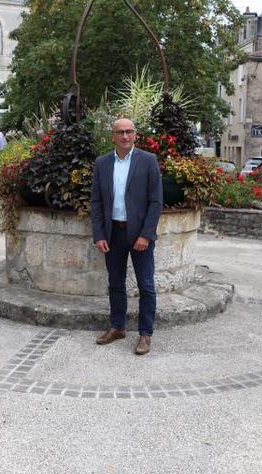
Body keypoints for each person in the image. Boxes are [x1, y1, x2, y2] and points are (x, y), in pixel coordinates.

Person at [90, 118, 162, 355]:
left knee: (146, 286)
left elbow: (155, 201)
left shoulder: (148, 161)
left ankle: (145, 334)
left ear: (135, 135)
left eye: (129, 131)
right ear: (113, 136)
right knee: (116, 284)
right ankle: (118, 327)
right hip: (113, 233)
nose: (124, 136)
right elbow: (97, 202)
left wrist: (146, 235)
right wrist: (99, 234)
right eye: (120, 132)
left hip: (139, 235)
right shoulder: (102, 163)